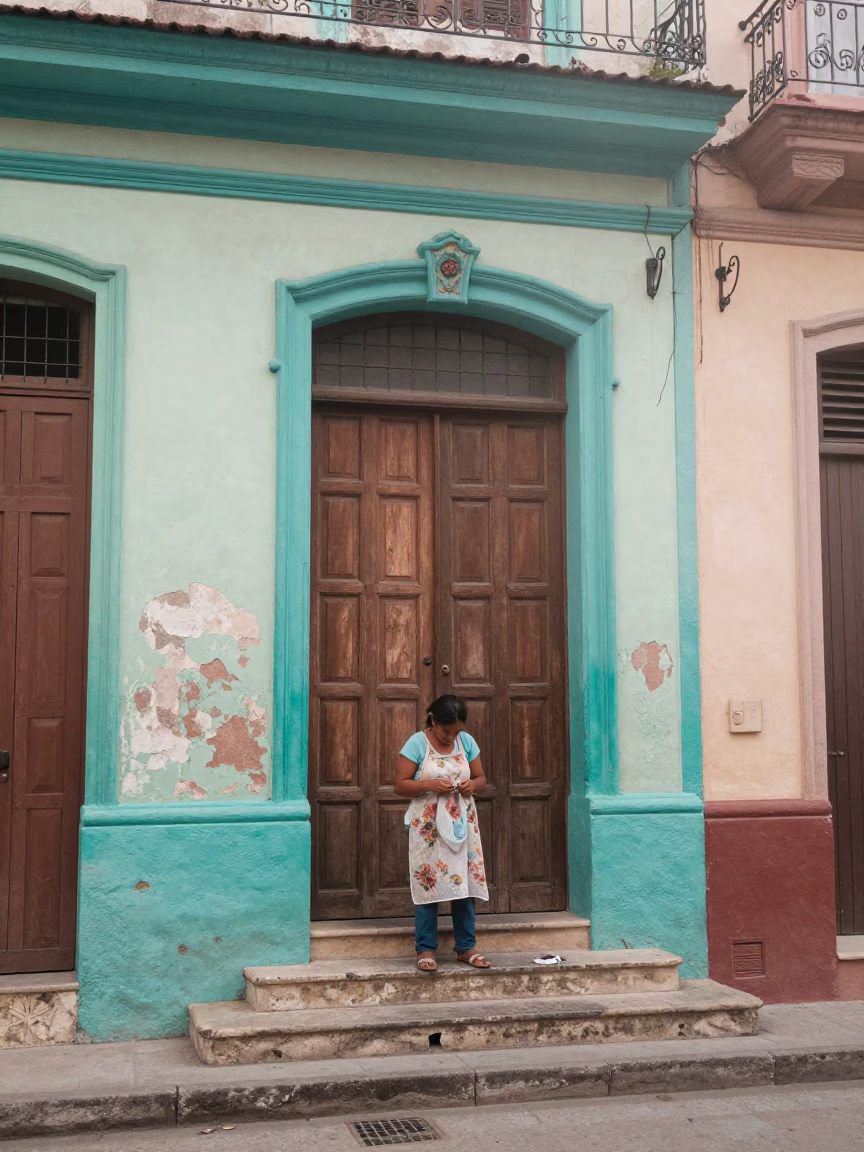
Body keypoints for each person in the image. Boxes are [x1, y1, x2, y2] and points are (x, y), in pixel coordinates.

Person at [395, 694, 490, 972]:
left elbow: (481, 778)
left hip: (462, 825)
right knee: (429, 884)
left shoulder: (467, 742)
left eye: (457, 731)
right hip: (428, 828)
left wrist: (473, 785)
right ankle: (425, 948)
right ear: (433, 721)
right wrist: (428, 784)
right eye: (447, 730)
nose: (452, 736)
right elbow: (399, 785)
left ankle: (466, 946)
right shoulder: (416, 743)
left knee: (464, 883)